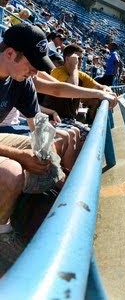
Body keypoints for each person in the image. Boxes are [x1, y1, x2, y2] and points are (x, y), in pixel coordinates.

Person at [0, 24, 110, 275]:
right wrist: (20, 155)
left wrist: (54, 170)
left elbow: (37, 125)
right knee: (11, 172)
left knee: (48, 152)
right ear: (9, 54)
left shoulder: (20, 79)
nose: (35, 72)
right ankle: (2, 233)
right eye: (31, 64)